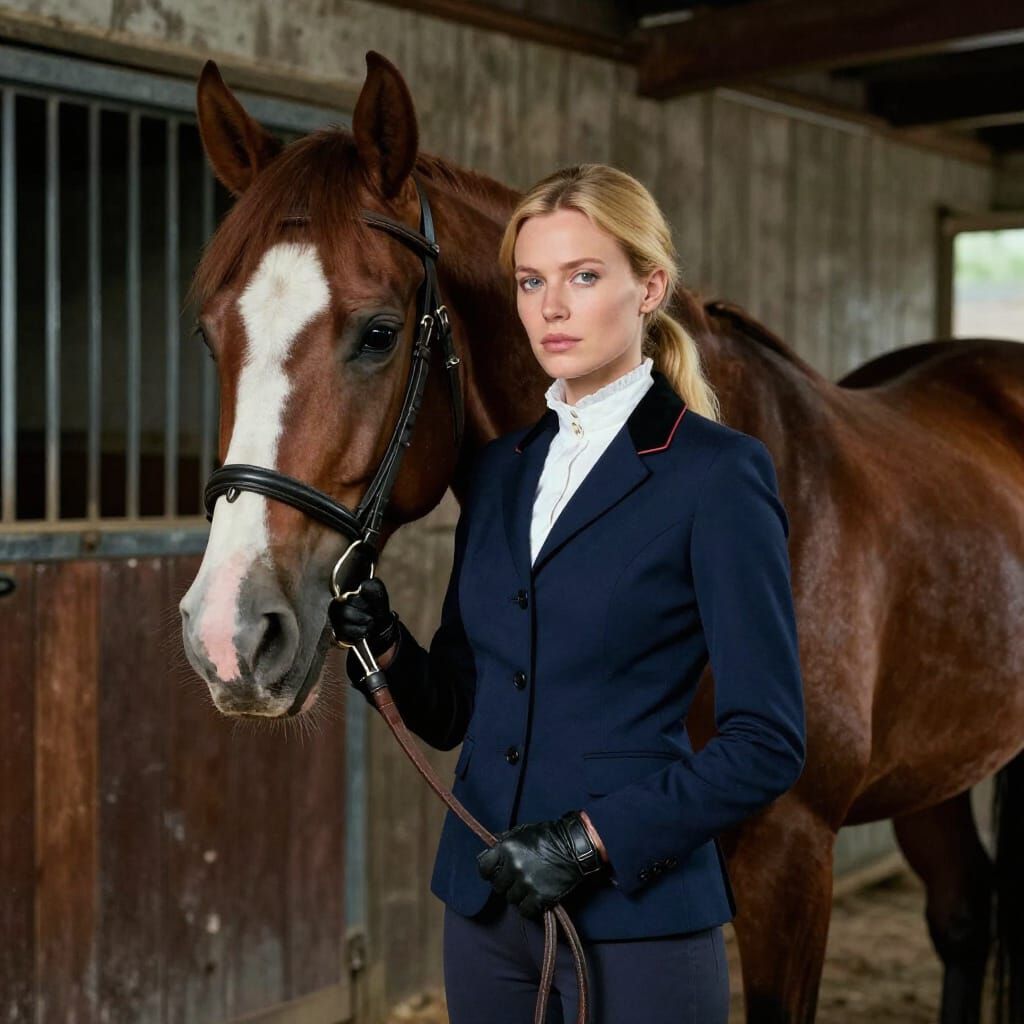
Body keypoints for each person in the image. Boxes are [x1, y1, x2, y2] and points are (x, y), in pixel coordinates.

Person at [336, 163, 806, 1024]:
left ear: (649, 288)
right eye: (530, 281)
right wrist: (389, 643)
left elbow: (766, 743)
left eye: (583, 277)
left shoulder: (718, 475)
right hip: (484, 909)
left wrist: (590, 843)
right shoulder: (499, 473)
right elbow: (455, 711)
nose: (550, 307)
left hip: (638, 917)